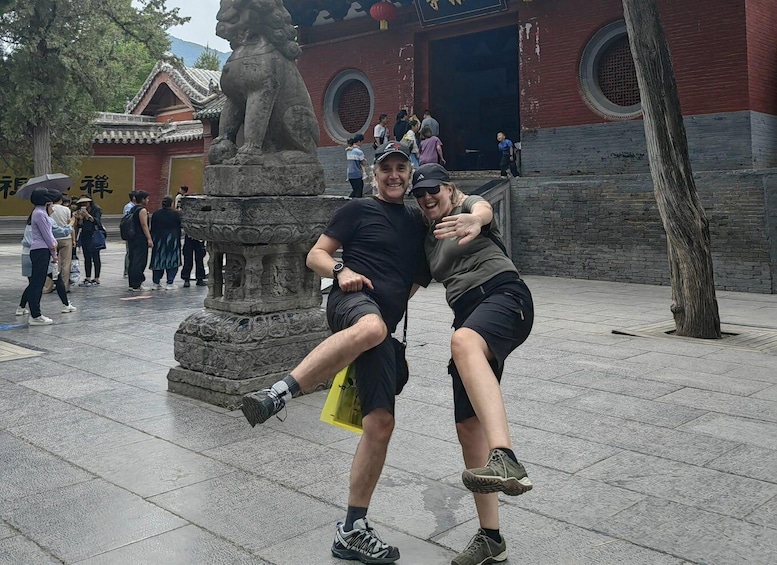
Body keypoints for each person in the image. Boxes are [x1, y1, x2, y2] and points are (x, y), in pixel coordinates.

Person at [240, 140, 429, 565]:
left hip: (381, 326)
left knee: (380, 424)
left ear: (410, 172)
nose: (394, 175)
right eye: (386, 169)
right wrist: (342, 271)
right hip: (352, 303)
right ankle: (278, 394)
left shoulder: (419, 224)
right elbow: (315, 255)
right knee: (372, 325)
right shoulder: (356, 210)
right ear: (374, 175)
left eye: (401, 168)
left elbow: (414, 282)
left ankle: (352, 529)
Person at [409, 163, 533, 565]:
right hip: (468, 316)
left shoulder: (468, 207)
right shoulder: (429, 241)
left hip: (503, 295)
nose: (428, 198)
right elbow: (409, 286)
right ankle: (490, 537)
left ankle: (506, 457)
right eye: (421, 193)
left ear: (449, 188)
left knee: (462, 341)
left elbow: (484, 211)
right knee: (466, 426)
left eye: (434, 190)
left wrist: (474, 222)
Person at [21, 188, 59, 325]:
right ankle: (35, 315)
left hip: (40, 250)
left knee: (37, 282)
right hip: (41, 250)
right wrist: (54, 252)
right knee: (37, 283)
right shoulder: (40, 213)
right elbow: (47, 235)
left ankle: (35, 313)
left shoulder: (40, 212)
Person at [42, 190, 74, 293]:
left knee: (51, 263)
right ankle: (64, 287)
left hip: (52, 238)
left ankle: (48, 287)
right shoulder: (66, 209)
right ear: (60, 199)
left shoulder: (47, 209)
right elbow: (69, 223)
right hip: (65, 237)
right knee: (65, 264)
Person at [149, 195, 182, 290]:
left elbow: (153, 227)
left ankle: (156, 283)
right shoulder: (176, 214)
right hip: (172, 240)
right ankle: (170, 282)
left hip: (158, 240)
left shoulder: (156, 214)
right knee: (172, 260)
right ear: (171, 204)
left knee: (158, 261)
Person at [74, 196, 104, 286]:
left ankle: (97, 277)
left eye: (86, 203)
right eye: (82, 203)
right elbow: (79, 226)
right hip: (85, 234)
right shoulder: (80, 211)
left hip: (94, 234)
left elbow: (98, 222)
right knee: (87, 257)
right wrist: (81, 218)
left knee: (96, 256)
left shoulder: (96, 209)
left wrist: (88, 216)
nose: (84, 205)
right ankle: (88, 277)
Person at [127, 190, 153, 291]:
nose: (148, 200)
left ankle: (132, 282)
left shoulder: (132, 209)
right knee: (140, 260)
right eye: (147, 198)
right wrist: (149, 238)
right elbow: (144, 224)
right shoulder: (142, 210)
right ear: (142, 199)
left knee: (133, 260)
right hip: (140, 237)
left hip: (132, 237)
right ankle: (137, 283)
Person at [345, 134, 367, 199]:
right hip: (357, 174)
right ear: (359, 141)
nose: (362, 144)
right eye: (362, 142)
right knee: (359, 192)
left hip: (350, 174)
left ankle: (348, 201)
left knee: (355, 190)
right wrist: (365, 161)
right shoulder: (359, 152)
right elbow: (363, 163)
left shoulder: (348, 151)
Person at [123, 191, 137, 278]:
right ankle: (127, 271)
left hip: (135, 232)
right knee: (129, 252)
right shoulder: (129, 207)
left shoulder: (135, 207)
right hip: (130, 231)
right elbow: (128, 219)